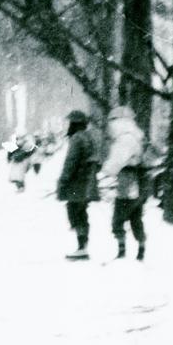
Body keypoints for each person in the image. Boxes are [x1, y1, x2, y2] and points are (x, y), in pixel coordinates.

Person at [99, 106, 148, 260]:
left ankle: (122, 252)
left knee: (118, 219)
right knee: (135, 218)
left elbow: (116, 161)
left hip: (128, 182)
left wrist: (105, 171)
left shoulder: (125, 138)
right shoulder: (136, 136)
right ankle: (141, 251)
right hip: (139, 181)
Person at [57, 110, 102, 260]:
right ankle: (83, 245)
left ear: (74, 124)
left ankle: (82, 247)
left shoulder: (76, 139)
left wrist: (62, 181)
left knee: (75, 212)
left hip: (77, 183)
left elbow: (70, 162)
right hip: (88, 182)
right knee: (81, 212)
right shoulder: (90, 137)